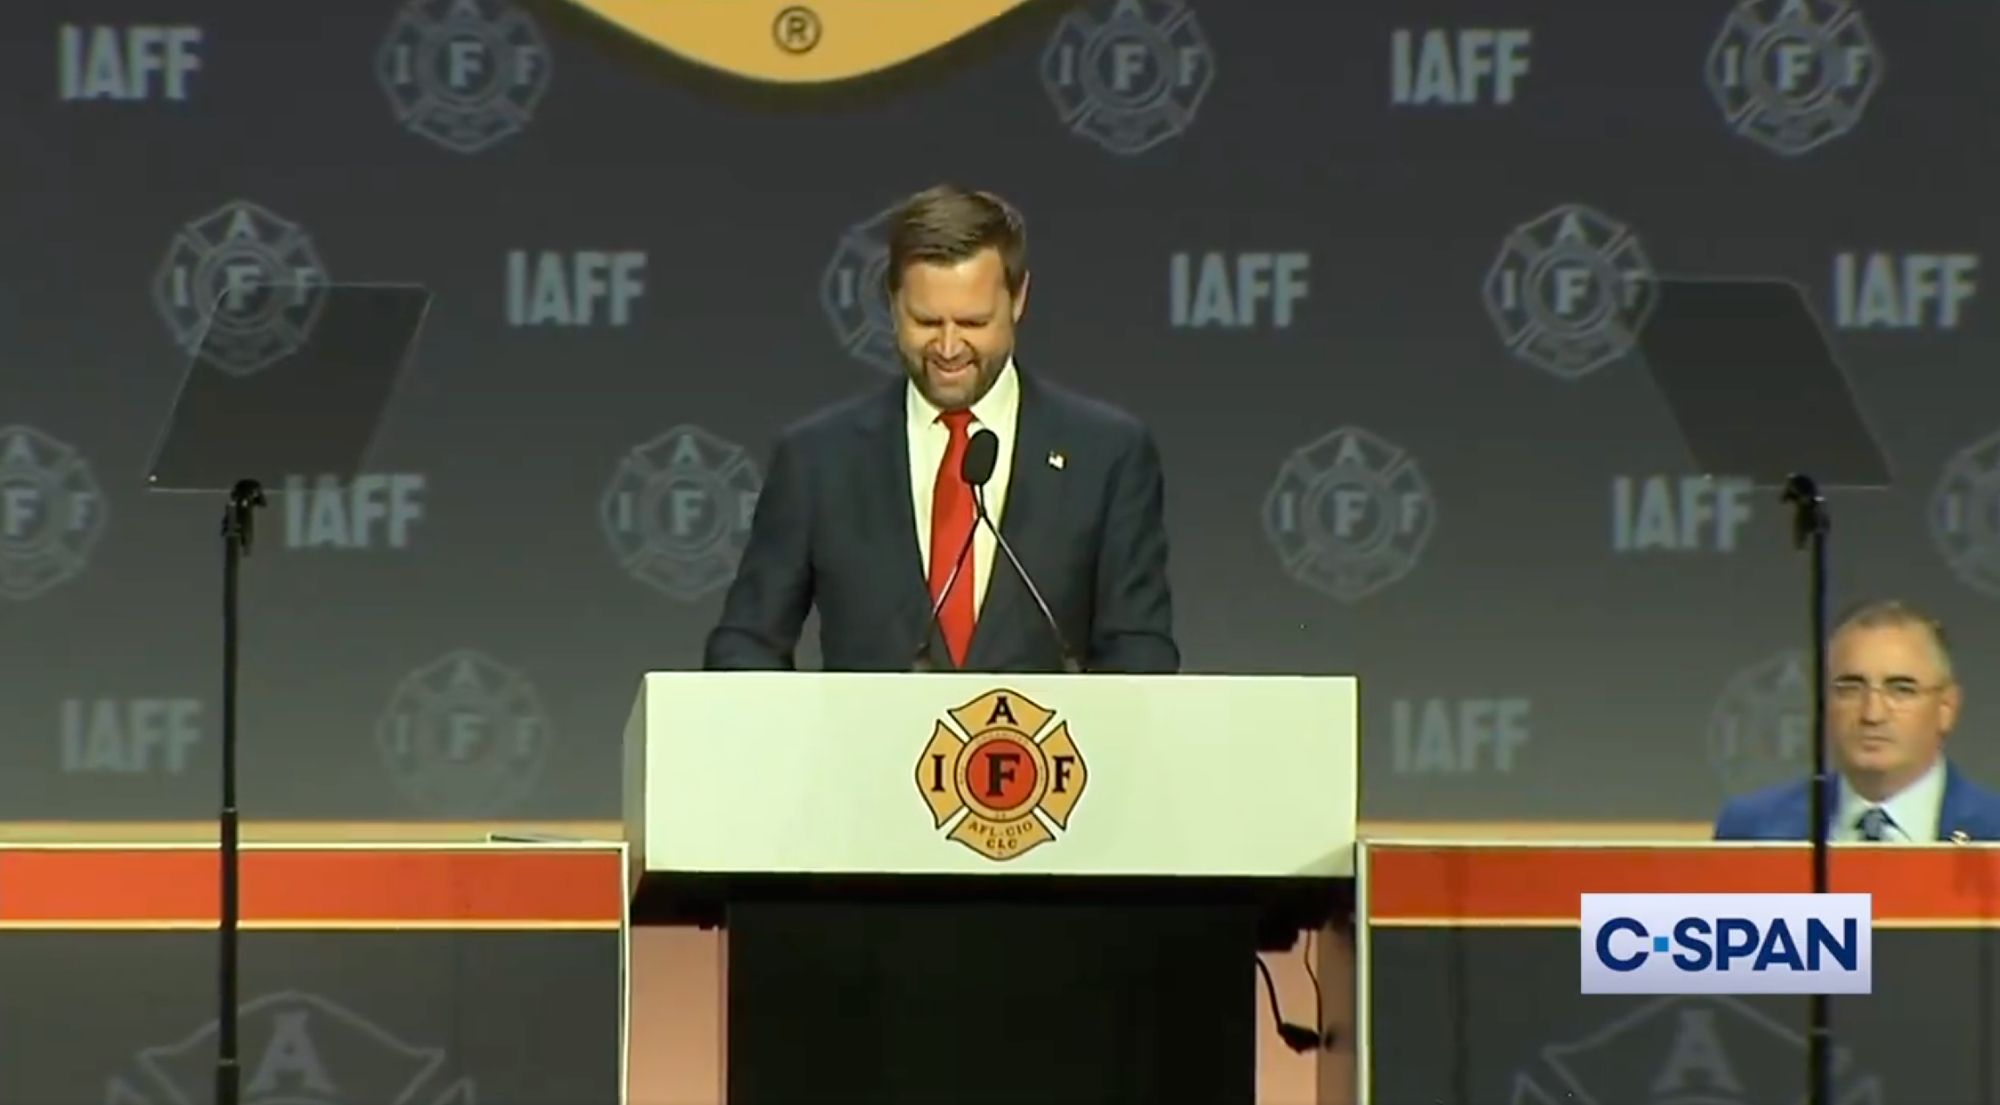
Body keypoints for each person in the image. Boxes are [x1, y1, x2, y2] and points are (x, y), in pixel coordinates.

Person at [703, 183, 1179, 674]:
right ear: (892, 303)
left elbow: (1139, 653)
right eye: (927, 321)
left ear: (1018, 300)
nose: (949, 348)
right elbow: (747, 643)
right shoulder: (817, 460)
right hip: (865, 750)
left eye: (973, 322)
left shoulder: (1108, 454)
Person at [1713, 599, 2000, 841]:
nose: (1871, 714)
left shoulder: (1993, 831)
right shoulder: (1750, 830)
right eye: (1849, 688)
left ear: (1946, 707)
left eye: (1901, 689)